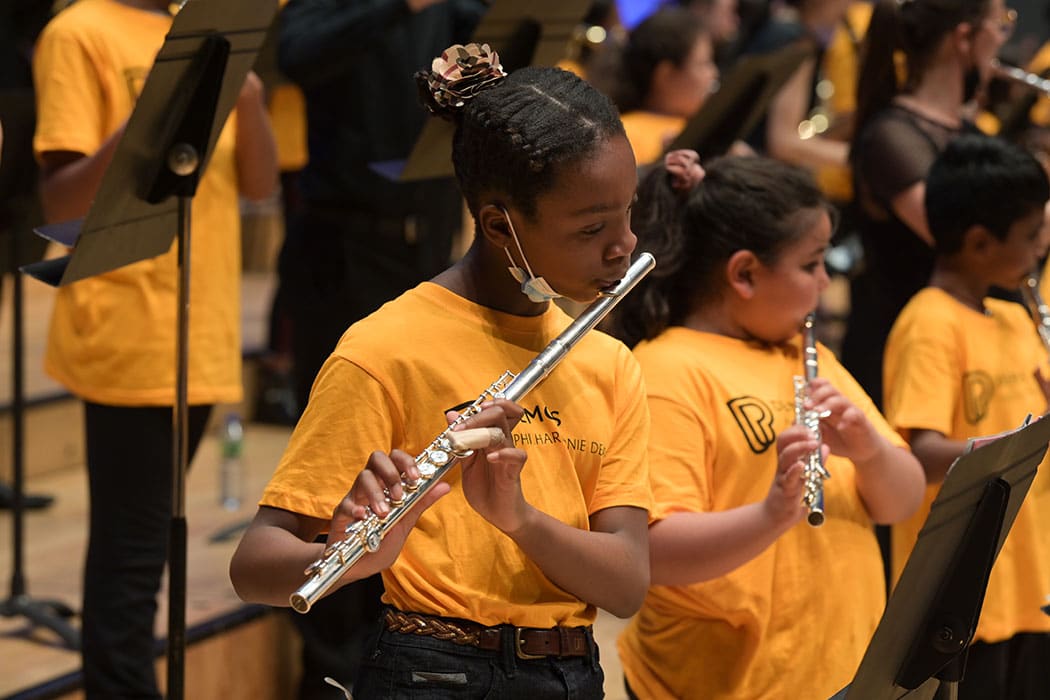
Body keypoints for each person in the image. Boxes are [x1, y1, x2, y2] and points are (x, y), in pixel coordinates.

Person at [230, 43, 652, 697]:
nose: (624, 244)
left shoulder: (609, 362)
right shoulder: (386, 348)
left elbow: (625, 583)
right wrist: (346, 560)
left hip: (571, 675)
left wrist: (522, 520)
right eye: (593, 227)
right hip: (430, 670)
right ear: (498, 225)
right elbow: (255, 566)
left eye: (628, 212)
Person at [609, 152, 925, 699]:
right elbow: (652, 552)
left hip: (842, 669)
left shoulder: (807, 355)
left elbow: (903, 500)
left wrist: (870, 452)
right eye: (811, 265)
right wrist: (771, 515)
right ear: (745, 274)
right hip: (727, 683)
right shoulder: (668, 370)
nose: (827, 282)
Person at [31, 0, 278, 697]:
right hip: (128, 322)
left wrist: (247, 93)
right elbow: (59, 204)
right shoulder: (79, 29)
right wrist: (157, 113)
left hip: (203, 325)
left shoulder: (204, 28)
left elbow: (259, 187)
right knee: (132, 557)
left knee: (144, 548)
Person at [274, 2, 486, 695]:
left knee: (411, 452)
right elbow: (294, 54)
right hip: (340, 240)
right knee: (340, 469)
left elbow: (499, 34)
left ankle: (392, 650)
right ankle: (329, 672)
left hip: (426, 236)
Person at [883, 134, 1050, 700]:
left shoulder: (1014, 318)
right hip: (965, 592)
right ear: (980, 242)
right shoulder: (928, 323)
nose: (1041, 246)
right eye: (1031, 235)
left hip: (1030, 579)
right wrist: (1025, 442)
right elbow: (922, 453)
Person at [841, 0, 1013, 408]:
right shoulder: (891, 138)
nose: (1003, 39)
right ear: (964, 38)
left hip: (970, 346)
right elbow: (968, 240)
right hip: (912, 356)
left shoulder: (972, 131)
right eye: (999, 24)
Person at [607, 7, 720, 166]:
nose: (713, 73)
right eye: (703, 64)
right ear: (665, 75)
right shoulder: (628, 136)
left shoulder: (702, 123)